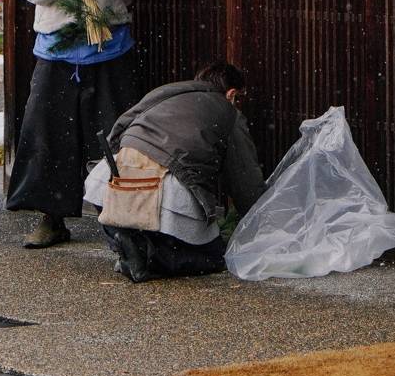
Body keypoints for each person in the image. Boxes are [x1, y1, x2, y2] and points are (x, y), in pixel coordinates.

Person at [6, 0, 152, 248]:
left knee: (119, 134)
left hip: (110, 47)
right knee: (48, 135)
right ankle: (51, 218)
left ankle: (127, 219)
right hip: (56, 48)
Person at [88, 61, 266, 282]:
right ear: (231, 94)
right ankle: (149, 255)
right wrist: (261, 220)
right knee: (214, 257)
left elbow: (118, 129)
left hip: (108, 177)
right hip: (168, 184)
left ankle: (127, 241)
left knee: (131, 208)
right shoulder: (228, 112)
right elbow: (245, 180)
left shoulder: (165, 92)